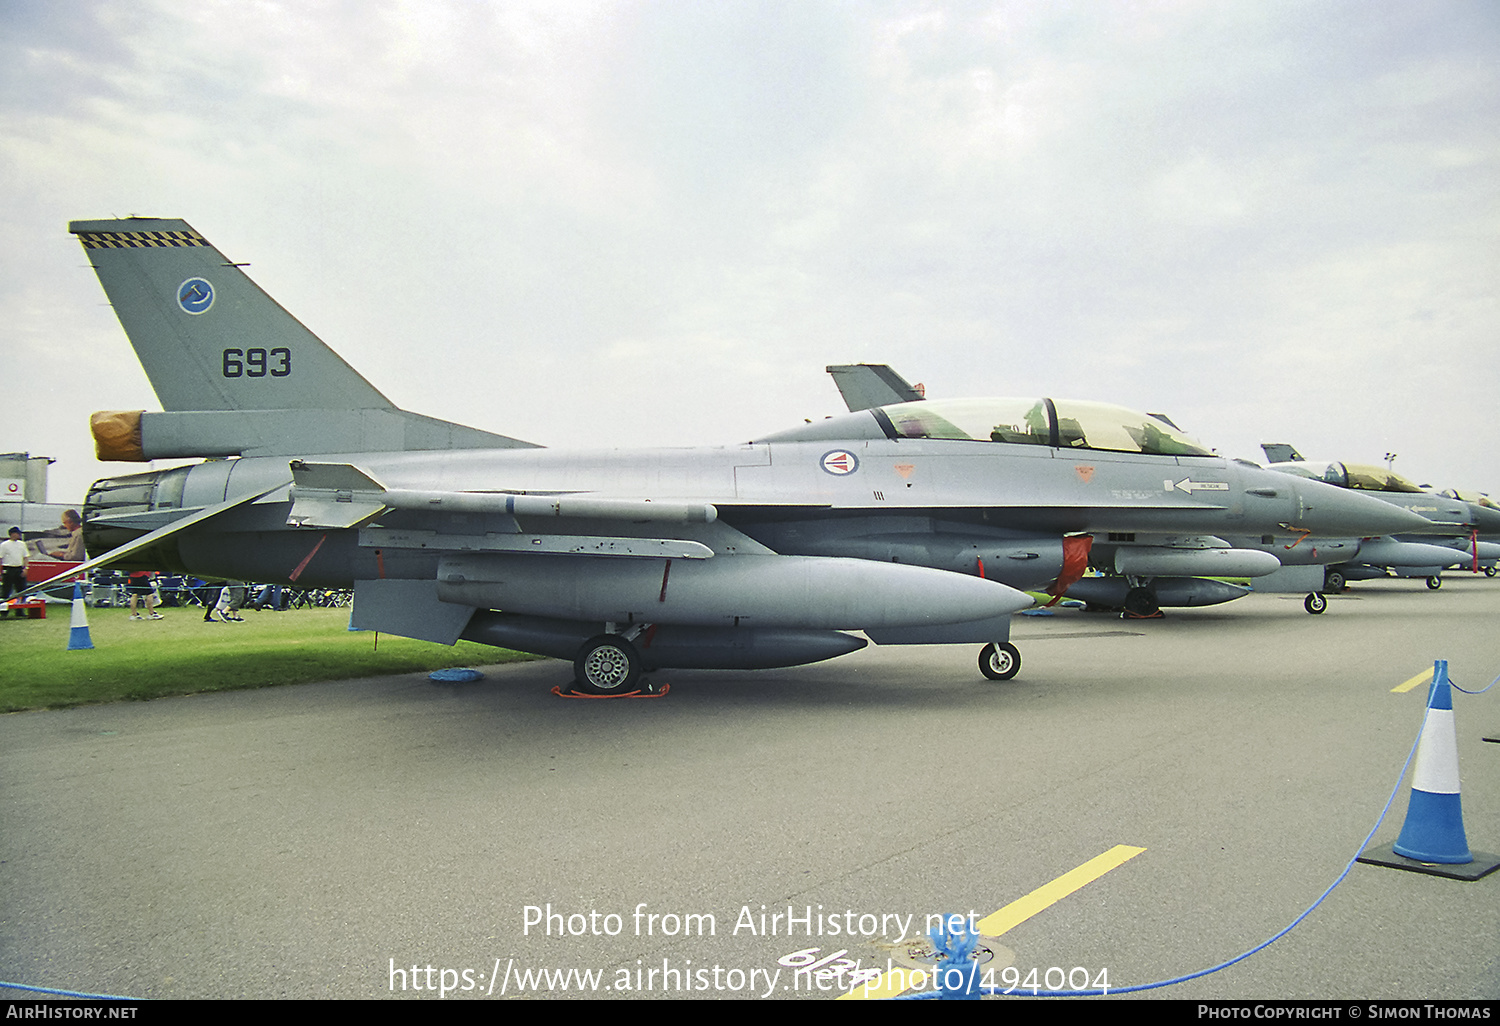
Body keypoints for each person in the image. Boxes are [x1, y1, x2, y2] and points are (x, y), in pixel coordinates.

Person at [1, 526, 27, 618]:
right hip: (8, 568)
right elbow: (1, 558)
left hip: (19, 568)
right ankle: (4, 611)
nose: (19, 535)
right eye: (17, 533)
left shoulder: (22, 544)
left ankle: (20, 610)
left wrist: (25, 568)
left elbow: (25, 557)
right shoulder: (4, 545)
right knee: (6, 591)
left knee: (21, 590)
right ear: (12, 534)